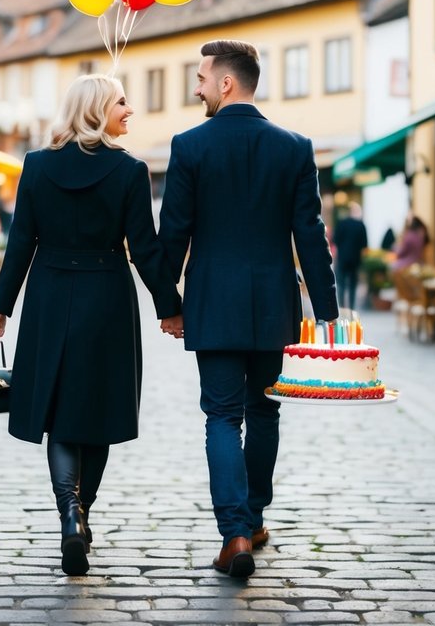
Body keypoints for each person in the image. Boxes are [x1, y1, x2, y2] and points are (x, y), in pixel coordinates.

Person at [0, 74, 181, 577]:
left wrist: (2, 306)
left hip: (49, 296)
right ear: (96, 110)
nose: (130, 110)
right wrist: (169, 305)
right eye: (121, 102)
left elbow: (20, 242)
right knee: (99, 408)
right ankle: (82, 512)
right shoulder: (130, 170)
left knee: (58, 410)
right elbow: (144, 248)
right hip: (107, 297)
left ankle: (70, 513)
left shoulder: (36, 165)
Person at [157, 40, 339, 579]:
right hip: (272, 306)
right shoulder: (295, 147)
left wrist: (169, 303)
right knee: (264, 412)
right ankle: (254, 519)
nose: (196, 88)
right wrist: (326, 311)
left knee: (221, 415)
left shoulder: (189, 146)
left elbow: (173, 234)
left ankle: (234, 533)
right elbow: (310, 234)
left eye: (200, 79)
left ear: (226, 82)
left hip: (212, 303)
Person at [333, 203, 368, 312]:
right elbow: (364, 244)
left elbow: (335, 240)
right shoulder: (361, 225)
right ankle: (351, 308)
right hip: (355, 259)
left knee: (341, 284)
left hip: (342, 258)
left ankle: (342, 308)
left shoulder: (342, 223)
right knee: (352, 284)